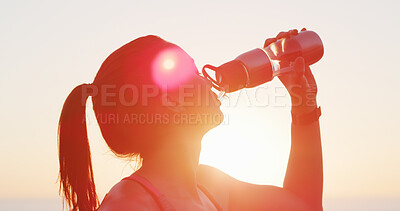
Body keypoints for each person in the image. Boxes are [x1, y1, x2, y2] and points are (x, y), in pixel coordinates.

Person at [58, 29, 323, 211]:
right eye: (192, 72)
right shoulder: (130, 203)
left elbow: (303, 205)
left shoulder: (209, 186)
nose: (206, 78)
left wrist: (304, 104)